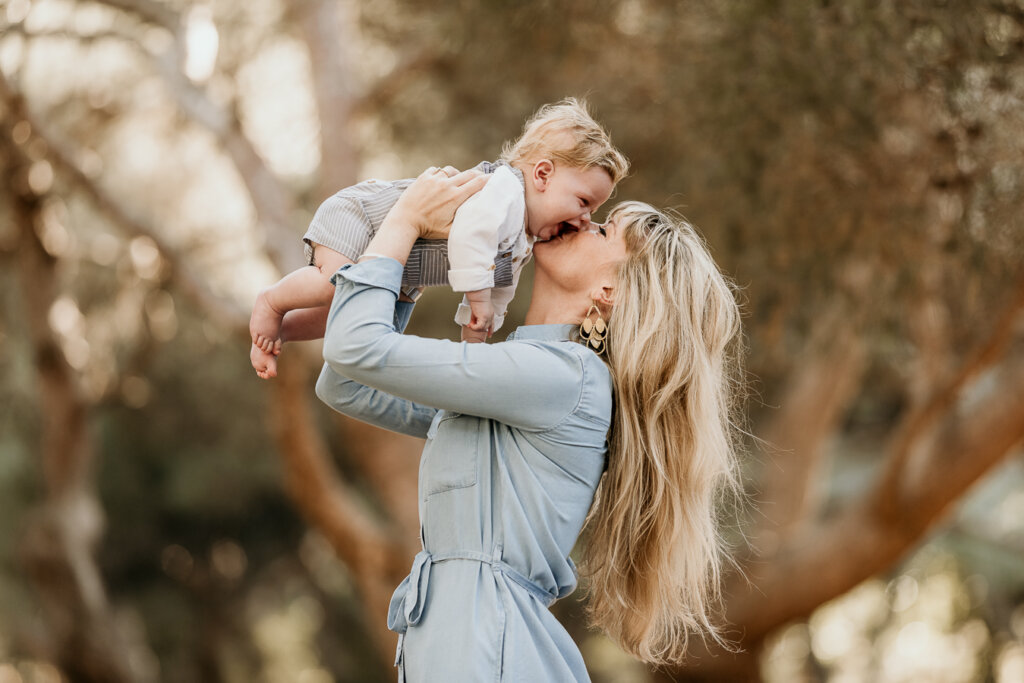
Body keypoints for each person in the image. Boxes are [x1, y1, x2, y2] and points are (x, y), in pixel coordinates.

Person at [308, 166, 745, 681]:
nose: (582, 221)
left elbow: (354, 348)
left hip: (488, 650)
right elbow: (343, 383)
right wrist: (411, 273)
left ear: (611, 290)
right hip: (465, 644)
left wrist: (405, 221)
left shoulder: (566, 378)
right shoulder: (523, 376)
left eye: (604, 230)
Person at [249, 98, 629, 378]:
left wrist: (478, 330)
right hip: (365, 219)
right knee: (336, 287)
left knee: (345, 312)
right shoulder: (504, 191)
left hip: (398, 268)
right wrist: (476, 298)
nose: (584, 220)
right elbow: (471, 237)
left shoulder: (523, 240)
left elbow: (501, 287)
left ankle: (279, 332)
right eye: (583, 202)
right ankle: (272, 302)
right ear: (543, 175)